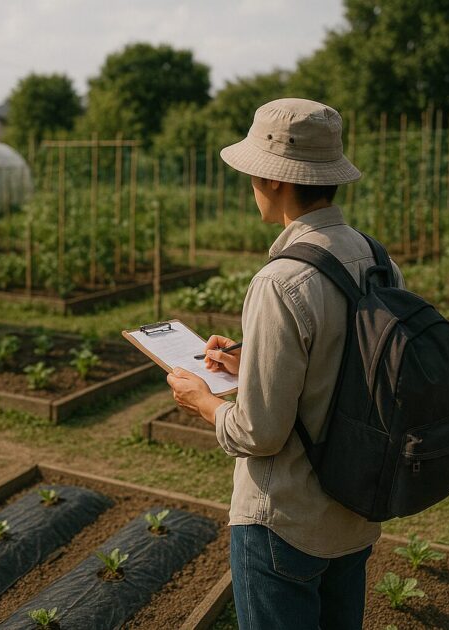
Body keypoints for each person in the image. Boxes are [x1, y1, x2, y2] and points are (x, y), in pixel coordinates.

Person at [166, 98, 404, 630]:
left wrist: (202, 401)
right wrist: (250, 361)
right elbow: (353, 366)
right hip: (355, 508)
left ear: (274, 178)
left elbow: (260, 433)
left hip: (285, 520)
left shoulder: (280, 281)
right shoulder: (379, 262)